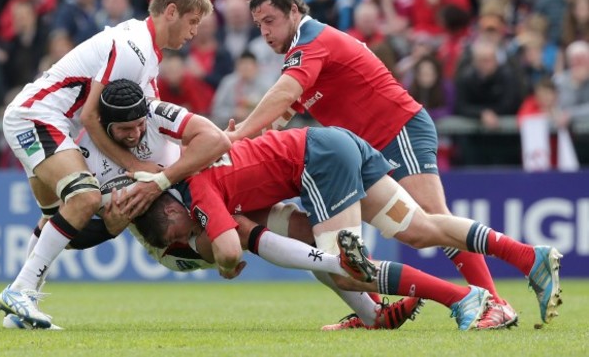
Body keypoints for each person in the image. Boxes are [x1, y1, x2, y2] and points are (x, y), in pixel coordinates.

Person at [3, 80, 420, 331]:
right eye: (123, 130)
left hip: (207, 193)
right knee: (234, 237)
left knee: (303, 232)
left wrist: (221, 141)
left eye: (138, 127)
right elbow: (71, 224)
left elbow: (209, 138)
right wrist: (112, 225)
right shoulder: (85, 156)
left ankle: (369, 313)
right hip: (173, 237)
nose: (133, 134)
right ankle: (346, 270)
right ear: (103, 130)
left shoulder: (155, 113)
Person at [226, 0, 523, 328]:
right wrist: (256, 138)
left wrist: (236, 135)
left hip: (398, 131)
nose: (264, 31)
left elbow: (282, 94)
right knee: (344, 238)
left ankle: (496, 302)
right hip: (364, 151)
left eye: (270, 21)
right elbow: (284, 109)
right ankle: (374, 312)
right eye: (259, 24)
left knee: (430, 219)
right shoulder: (302, 52)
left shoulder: (310, 42)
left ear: (294, 11)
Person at [131, 126, 562, 330]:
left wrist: (222, 262)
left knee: (341, 267)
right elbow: (269, 229)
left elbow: (228, 248)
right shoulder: (199, 170)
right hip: (336, 141)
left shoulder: (198, 191)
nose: (190, 238)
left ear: (172, 216)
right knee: (419, 228)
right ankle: (528, 256)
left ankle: (463, 299)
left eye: (182, 236)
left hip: (318, 162)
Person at [0, 0, 214, 329]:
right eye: (192, 22)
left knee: (57, 217)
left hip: (47, 120)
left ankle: (20, 307)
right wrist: (135, 166)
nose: (194, 32)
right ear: (171, 11)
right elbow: (90, 117)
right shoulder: (135, 48)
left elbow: (153, 119)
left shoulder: (144, 50)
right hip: (37, 116)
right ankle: (19, 290)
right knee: (83, 198)